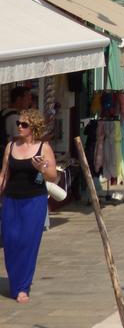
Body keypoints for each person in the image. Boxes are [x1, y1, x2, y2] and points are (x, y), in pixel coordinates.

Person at [0, 108, 57, 303]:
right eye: (18, 123)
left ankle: (22, 287)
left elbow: (53, 177)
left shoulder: (44, 148)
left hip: (34, 201)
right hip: (11, 200)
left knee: (27, 243)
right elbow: (4, 174)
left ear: (33, 127)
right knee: (10, 241)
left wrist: (41, 168)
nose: (19, 127)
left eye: (24, 124)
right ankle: (15, 282)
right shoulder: (10, 146)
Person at [2, 87, 33, 151]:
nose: (30, 102)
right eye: (27, 99)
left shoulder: (4, 112)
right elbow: (19, 142)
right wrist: (41, 140)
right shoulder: (15, 117)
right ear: (19, 99)